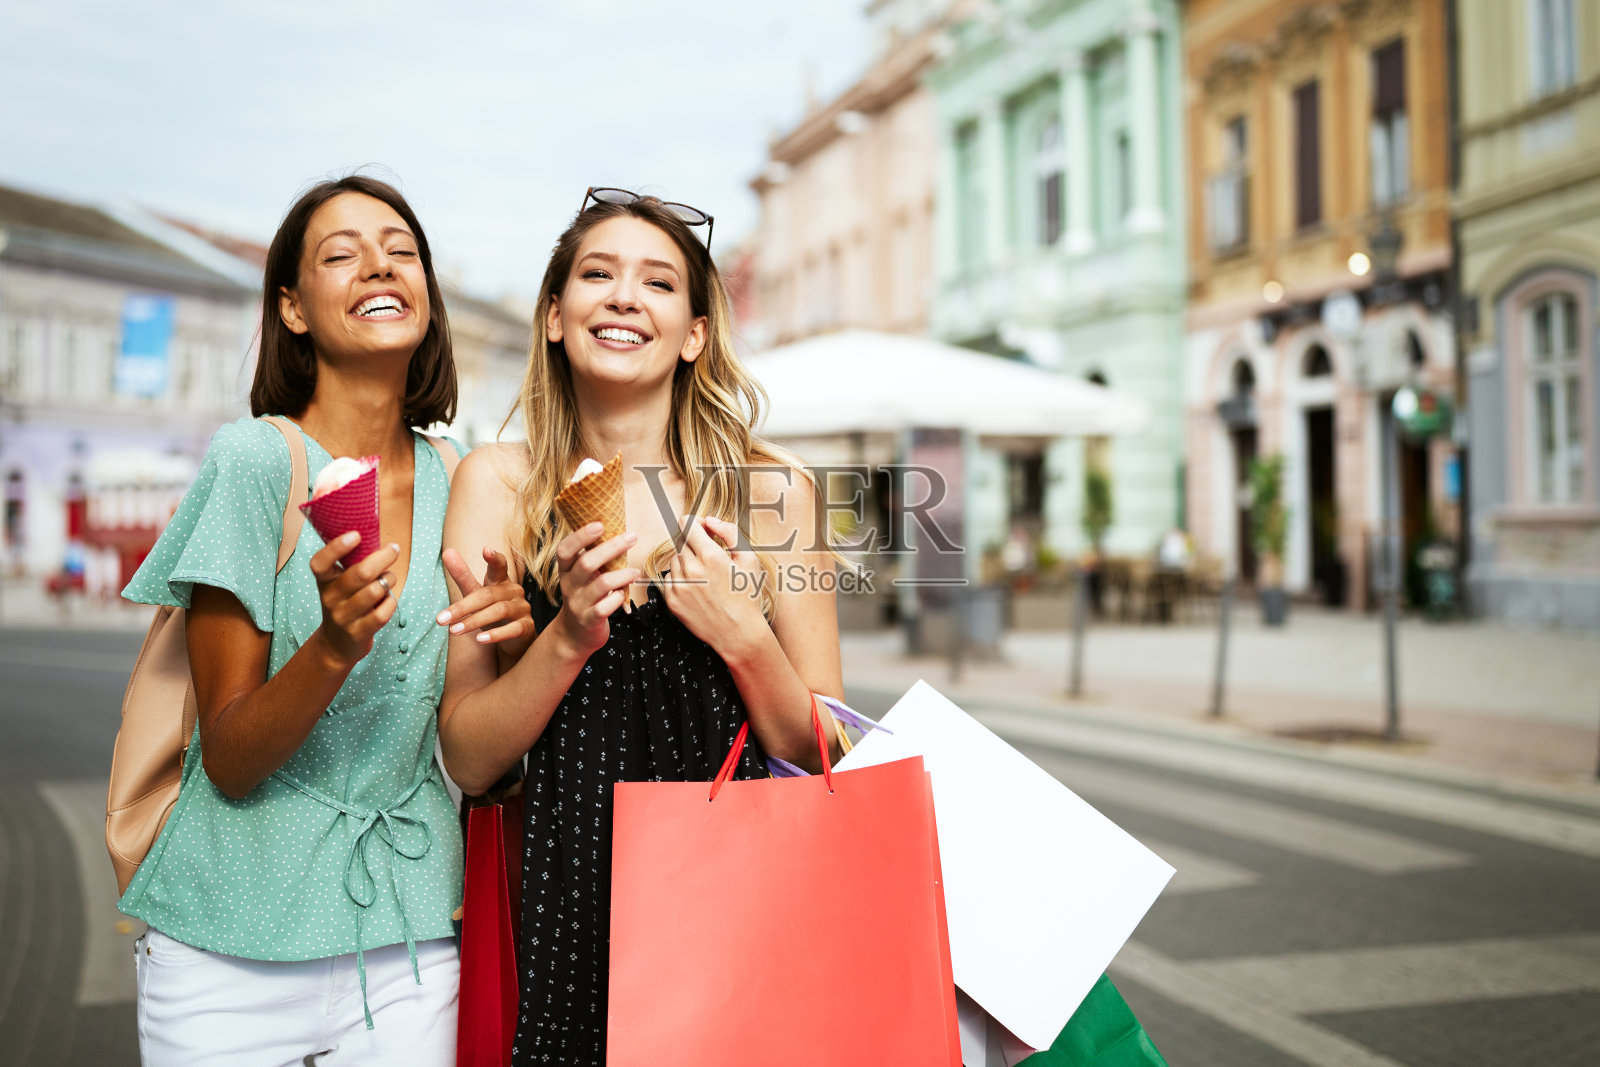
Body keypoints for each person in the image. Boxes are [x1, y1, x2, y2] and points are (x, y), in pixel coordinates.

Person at [120, 175, 531, 1064]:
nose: (379, 264)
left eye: (401, 250)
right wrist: (336, 647)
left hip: (411, 934)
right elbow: (229, 757)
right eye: (340, 254)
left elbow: (477, 743)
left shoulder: (466, 480)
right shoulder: (256, 463)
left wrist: (521, 643)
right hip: (228, 947)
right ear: (293, 309)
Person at [437, 189, 846, 1063]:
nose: (624, 296)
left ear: (695, 333)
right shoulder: (495, 486)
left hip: (741, 918)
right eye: (597, 274)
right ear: (554, 315)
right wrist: (565, 634)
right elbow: (469, 762)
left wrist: (742, 633)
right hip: (567, 922)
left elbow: (827, 750)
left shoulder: (772, 492)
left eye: (658, 282)